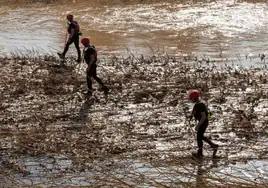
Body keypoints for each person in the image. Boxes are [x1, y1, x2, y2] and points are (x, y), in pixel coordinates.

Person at [189, 90, 219, 158]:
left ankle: (208, 148)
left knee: (199, 136)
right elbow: (206, 113)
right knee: (200, 137)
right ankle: (204, 150)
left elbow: (204, 116)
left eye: (191, 98)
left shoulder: (200, 105)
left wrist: (198, 125)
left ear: (195, 98)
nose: (191, 100)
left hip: (203, 122)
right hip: (204, 122)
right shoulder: (198, 104)